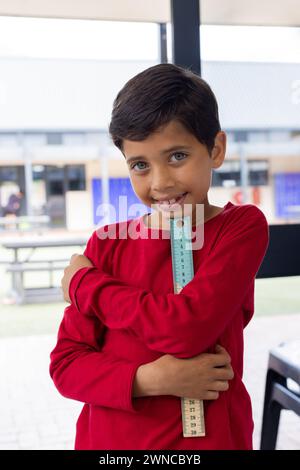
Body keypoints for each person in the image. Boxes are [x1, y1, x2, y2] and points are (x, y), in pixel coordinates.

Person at [50, 64, 269, 450]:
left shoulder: (240, 228)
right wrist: (151, 379)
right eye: (140, 165)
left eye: (177, 156)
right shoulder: (106, 244)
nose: (160, 182)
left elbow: (188, 330)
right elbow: (66, 366)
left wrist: (89, 286)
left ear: (216, 150)